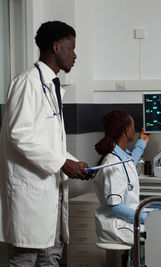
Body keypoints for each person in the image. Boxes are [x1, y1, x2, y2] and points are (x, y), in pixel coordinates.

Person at [0, 21, 91, 266]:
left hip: (49, 192)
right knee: (25, 257)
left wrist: (72, 162)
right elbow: (18, 134)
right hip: (29, 192)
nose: (75, 55)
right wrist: (63, 163)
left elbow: (48, 141)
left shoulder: (51, 86)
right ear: (55, 47)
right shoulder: (27, 83)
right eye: (70, 49)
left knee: (51, 256)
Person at [93, 110, 150, 245]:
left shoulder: (120, 157)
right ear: (126, 130)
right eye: (133, 127)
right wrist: (145, 218)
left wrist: (143, 141)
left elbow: (130, 162)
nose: (134, 130)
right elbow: (115, 207)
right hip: (116, 225)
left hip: (124, 220)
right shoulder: (112, 163)